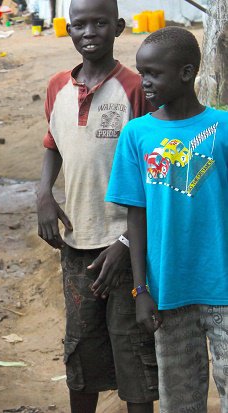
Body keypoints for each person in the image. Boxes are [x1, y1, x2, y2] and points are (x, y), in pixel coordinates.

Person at [36, 0, 159, 412]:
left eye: (100, 23)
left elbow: (155, 171)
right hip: (77, 245)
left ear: (119, 27)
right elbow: (53, 144)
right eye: (80, 24)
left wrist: (127, 241)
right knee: (81, 351)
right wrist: (43, 194)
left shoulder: (136, 88)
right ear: (68, 30)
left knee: (133, 352)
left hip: (128, 247)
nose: (89, 32)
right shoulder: (57, 87)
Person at [106, 26, 228, 412]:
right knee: (179, 401)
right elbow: (136, 218)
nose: (145, 83)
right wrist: (141, 291)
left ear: (187, 72)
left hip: (223, 290)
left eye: (154, 74)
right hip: (169, 294)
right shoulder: (136, 134)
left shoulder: (223, 128)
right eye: (142, 73)